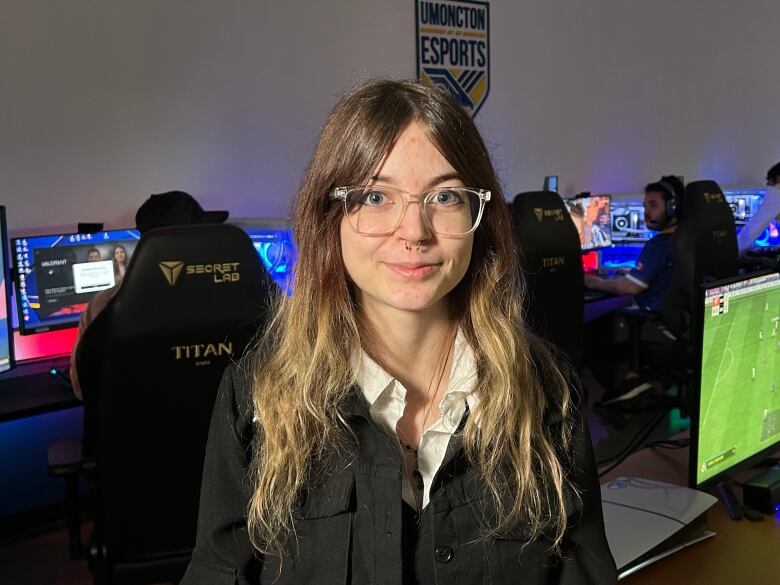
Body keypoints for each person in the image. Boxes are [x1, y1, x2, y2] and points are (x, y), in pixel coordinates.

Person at [181, 80, 616, 584]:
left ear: (481, 218)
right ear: (330, 217)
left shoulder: (547, 390)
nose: (414, 231)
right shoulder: (256, 396)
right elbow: (218, 569)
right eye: (375, 195)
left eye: (446, 195)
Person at [69, 191, 228, 400]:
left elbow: (81, 388)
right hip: (220, 425)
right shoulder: (229, 292)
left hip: (134, 429)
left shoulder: (105, 304)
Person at [584, 176, 684, 312]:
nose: (646, 212)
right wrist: (635, 274)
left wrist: (596, 283)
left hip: (652, 319)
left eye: (653, 205)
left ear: (673, 208)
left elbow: (628, 287)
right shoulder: (683, 237)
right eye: (645, 206)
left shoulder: (659, 244)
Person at [737, 161, 780, 253]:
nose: (768, 186)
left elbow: (755, 227)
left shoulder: (777, 191)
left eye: (769, 182)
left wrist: (733, 249)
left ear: (778, 178)